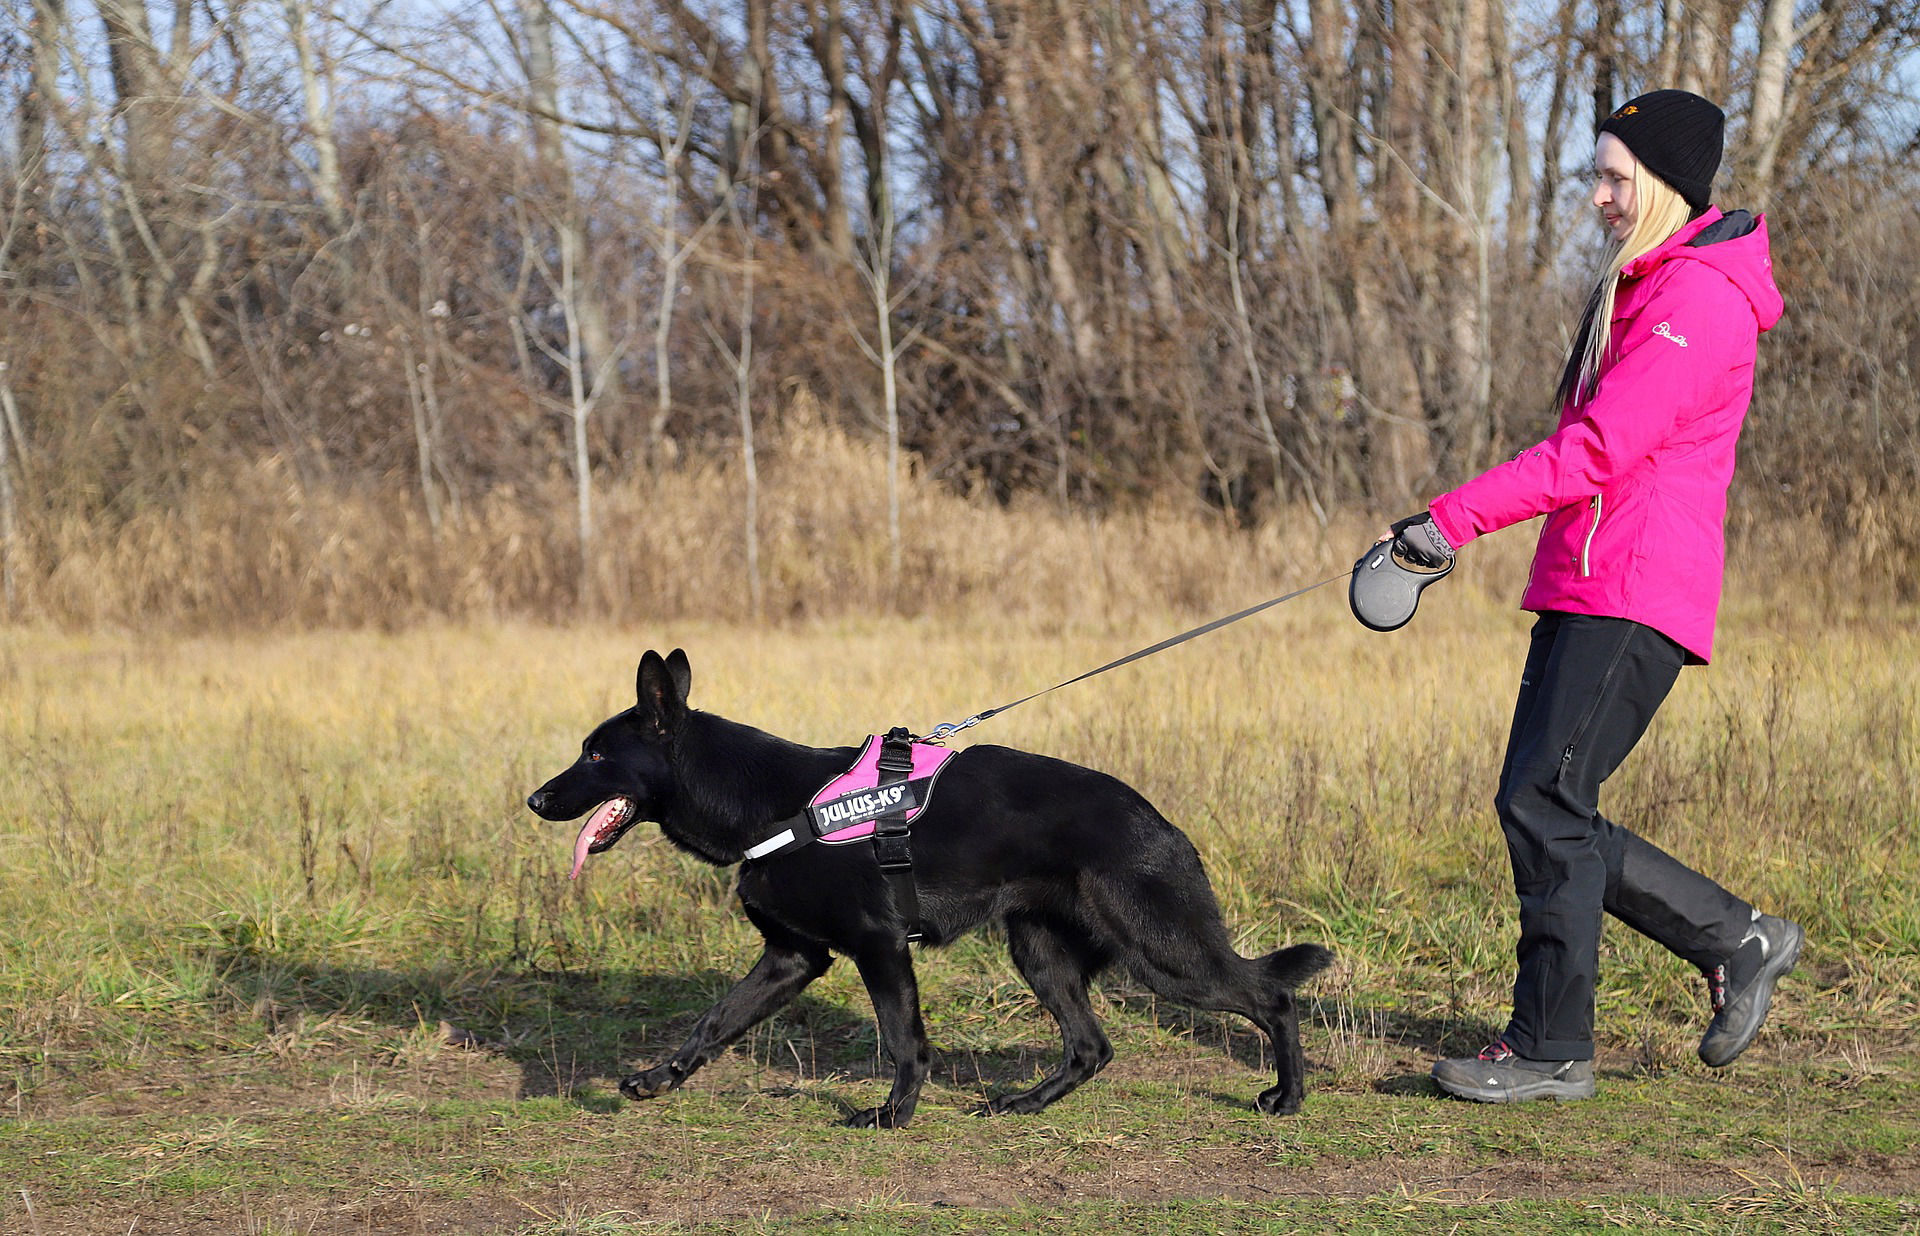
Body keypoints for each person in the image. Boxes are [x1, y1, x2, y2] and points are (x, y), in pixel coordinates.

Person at [1382, 89, 1802, 1102]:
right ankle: (1735, 939)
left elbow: (1600, 449)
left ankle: (1552, 1048)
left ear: (1666, 185)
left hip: (1634, 589)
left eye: (1617, 179)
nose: (1602, 199)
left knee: (1544, 802)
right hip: (1592, 580)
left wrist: (1450, 521)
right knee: (1545, 802)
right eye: (1598, 178)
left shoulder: (1696, 301)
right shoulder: (1652, 286)